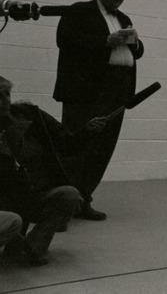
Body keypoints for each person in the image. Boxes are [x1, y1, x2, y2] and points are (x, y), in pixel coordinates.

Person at [53, 0, 144, 221]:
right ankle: (61, 203)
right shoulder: (78, 11)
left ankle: (83, 199)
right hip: (86, 91)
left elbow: (137, 50)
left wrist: (135, 43)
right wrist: (106, 42)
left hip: (117, 90)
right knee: (77, 146)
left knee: (102, 148)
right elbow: (66, 41)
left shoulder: (123, 19)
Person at [0, 76, 109, 265]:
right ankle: (16, 239)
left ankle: (35, 246)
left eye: (6, 94)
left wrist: (88, 131)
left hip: (34, 192)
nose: (5, 101)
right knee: (12, 243)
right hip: (6, 201)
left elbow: (67, 144)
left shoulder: (29, 115)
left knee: (69, 195)